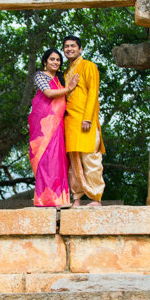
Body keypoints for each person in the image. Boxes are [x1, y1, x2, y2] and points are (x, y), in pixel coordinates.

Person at [28, 48, 80, 207]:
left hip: (58, 123)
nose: (56, 62)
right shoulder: (40, 76)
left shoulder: (60, 80)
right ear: (45, 61)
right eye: (52, 59)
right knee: (45, 158)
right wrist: (69, 88)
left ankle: (59, 199)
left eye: (58, 60)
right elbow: (49, 93)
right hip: (43, 123)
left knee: (58, 159)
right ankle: (44, 198)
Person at [62, 36, 105, 206]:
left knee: (91, 159)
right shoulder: (65, 73)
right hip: (70, 122)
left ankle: (95, 198)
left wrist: (88, 117)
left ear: (80, 49)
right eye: (66, 46)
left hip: (85, 121)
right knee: (74, 163)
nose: (69, 49)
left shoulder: (89, 66)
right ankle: (77, 198)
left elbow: (93, 92)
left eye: (73, 46)